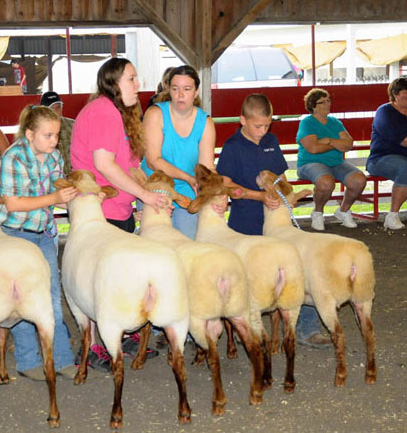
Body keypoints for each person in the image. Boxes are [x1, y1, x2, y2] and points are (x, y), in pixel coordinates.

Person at [71, 57, 167, 370]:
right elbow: (104, 165)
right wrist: (145, 195)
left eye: (137, 78)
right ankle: (97, 345)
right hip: (100, 211)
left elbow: (129, 165)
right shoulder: (102, 110)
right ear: (113, 83)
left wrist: (152, 194)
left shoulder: (120, 114)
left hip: (118, 208)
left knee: (118, 278)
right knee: (100, 280)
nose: (138, 84)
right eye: (131, 78)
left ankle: (121, 336)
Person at [216, 94, 331, 348]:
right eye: (257, 126)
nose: (262, 131)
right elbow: (224, 184)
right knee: (246, 276)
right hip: (245, 223)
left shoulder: (271, 140)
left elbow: (281, 177)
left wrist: (281, 191)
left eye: (267, 125)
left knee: (296, 267)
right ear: (242, 120)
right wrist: (258, 195)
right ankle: (248, 329)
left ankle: (306, 326)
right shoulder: (232, 146)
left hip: (277, 223)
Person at [0, 105, 78, 381]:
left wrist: (75, 191)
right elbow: (14, 204)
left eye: (55, 135)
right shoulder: (14, 158)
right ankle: (28, 360)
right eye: (48, 135)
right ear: (30, 134)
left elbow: (56, 184)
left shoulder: (52, 156)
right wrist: (56, 198)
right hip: (14, 234)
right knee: (21, 296)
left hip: (42, 231)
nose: (54, 141)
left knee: (52, 294)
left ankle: (61, 358)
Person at [142, 64, 216, 239]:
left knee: (188, 245)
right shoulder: (155, 114)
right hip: (157, 188)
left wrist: (215, 191)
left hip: (188, 191)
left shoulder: (205, 123)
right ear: (168, 89)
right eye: (175, 89)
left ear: (196, 92)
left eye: (187, 89)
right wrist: (189, 178)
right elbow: (153, 160)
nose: (180, 95)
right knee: (157, 245)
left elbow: (206, 167)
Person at [296, 88, 367, 231]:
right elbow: (313, 149)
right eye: (322, 102)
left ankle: (343, 210)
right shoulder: (307, 122)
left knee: (359, 180)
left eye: (328, 100)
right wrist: (336, 144)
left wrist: (328, 141)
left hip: (336, 163)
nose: (327, 104)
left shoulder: (335, 122)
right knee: (326, 182)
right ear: (313, 106)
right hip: (310, 162)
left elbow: (348, 145)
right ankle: (318, 212)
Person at [366, 77, 407, 230]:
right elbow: (403, 140)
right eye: (406, 93)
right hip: (380, 159)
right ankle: (392, 215)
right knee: (405, 169)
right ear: (395, 94)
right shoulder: (385, 112)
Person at [40, 91, 74, 176]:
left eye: (58, 107)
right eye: (51, 108)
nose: (56, 111)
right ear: (43, 110)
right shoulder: (38, 131)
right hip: (51, 178)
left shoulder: (73, 126)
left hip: (74, 176)